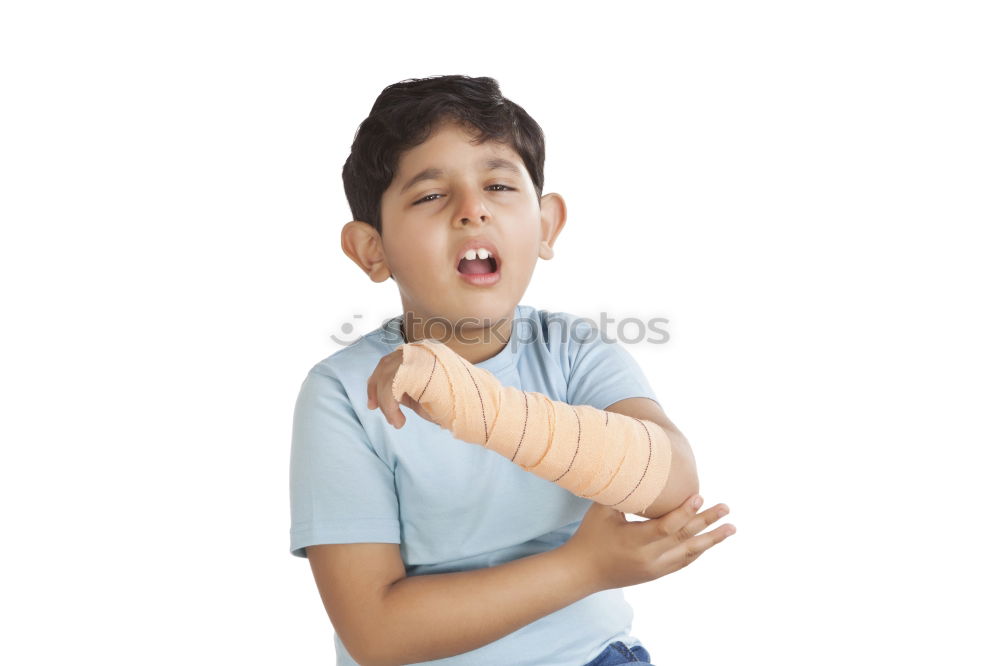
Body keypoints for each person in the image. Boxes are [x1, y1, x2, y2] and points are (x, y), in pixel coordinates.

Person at [289, 74, 736, 666]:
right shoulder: (343, 393)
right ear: (372, 250)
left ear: (547, 224)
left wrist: (473, 404)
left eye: (498, 185)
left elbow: (673, 484)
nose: (472, 211)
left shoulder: (575, 351)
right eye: (429, 195)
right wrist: (586, 566)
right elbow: (377, 634)